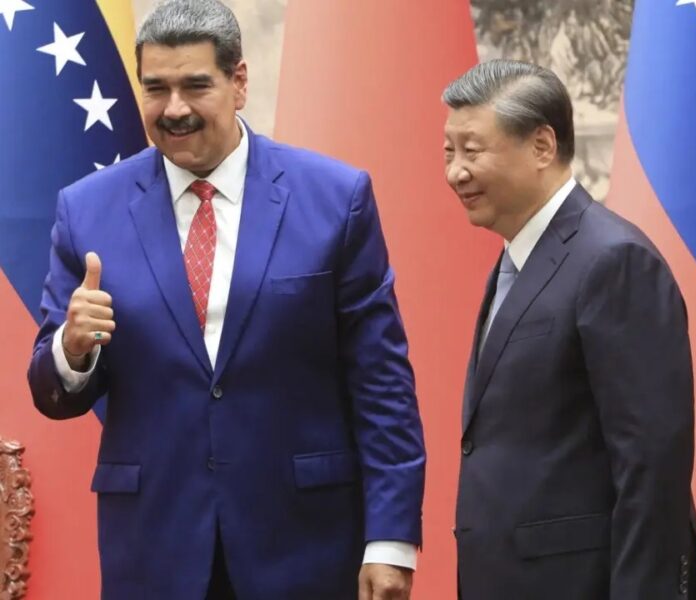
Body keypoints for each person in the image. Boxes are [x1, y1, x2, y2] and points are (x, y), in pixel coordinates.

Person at [27, 1, 425, 598]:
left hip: (306, 547)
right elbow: (52, 393)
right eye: (156, 89)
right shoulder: (86, 210)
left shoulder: (335, 198)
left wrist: (390, 540)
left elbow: (381, 383)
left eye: (195, 86)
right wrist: (72, 348)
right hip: (155, 550)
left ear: (238, 82)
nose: (174, 108)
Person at [442, 59, 696, 599]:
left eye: (472, 150)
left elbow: (652, 466)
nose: (456, 172)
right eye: (449, 151)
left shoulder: (614, 261)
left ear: (542, 146)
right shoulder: (515, 260)